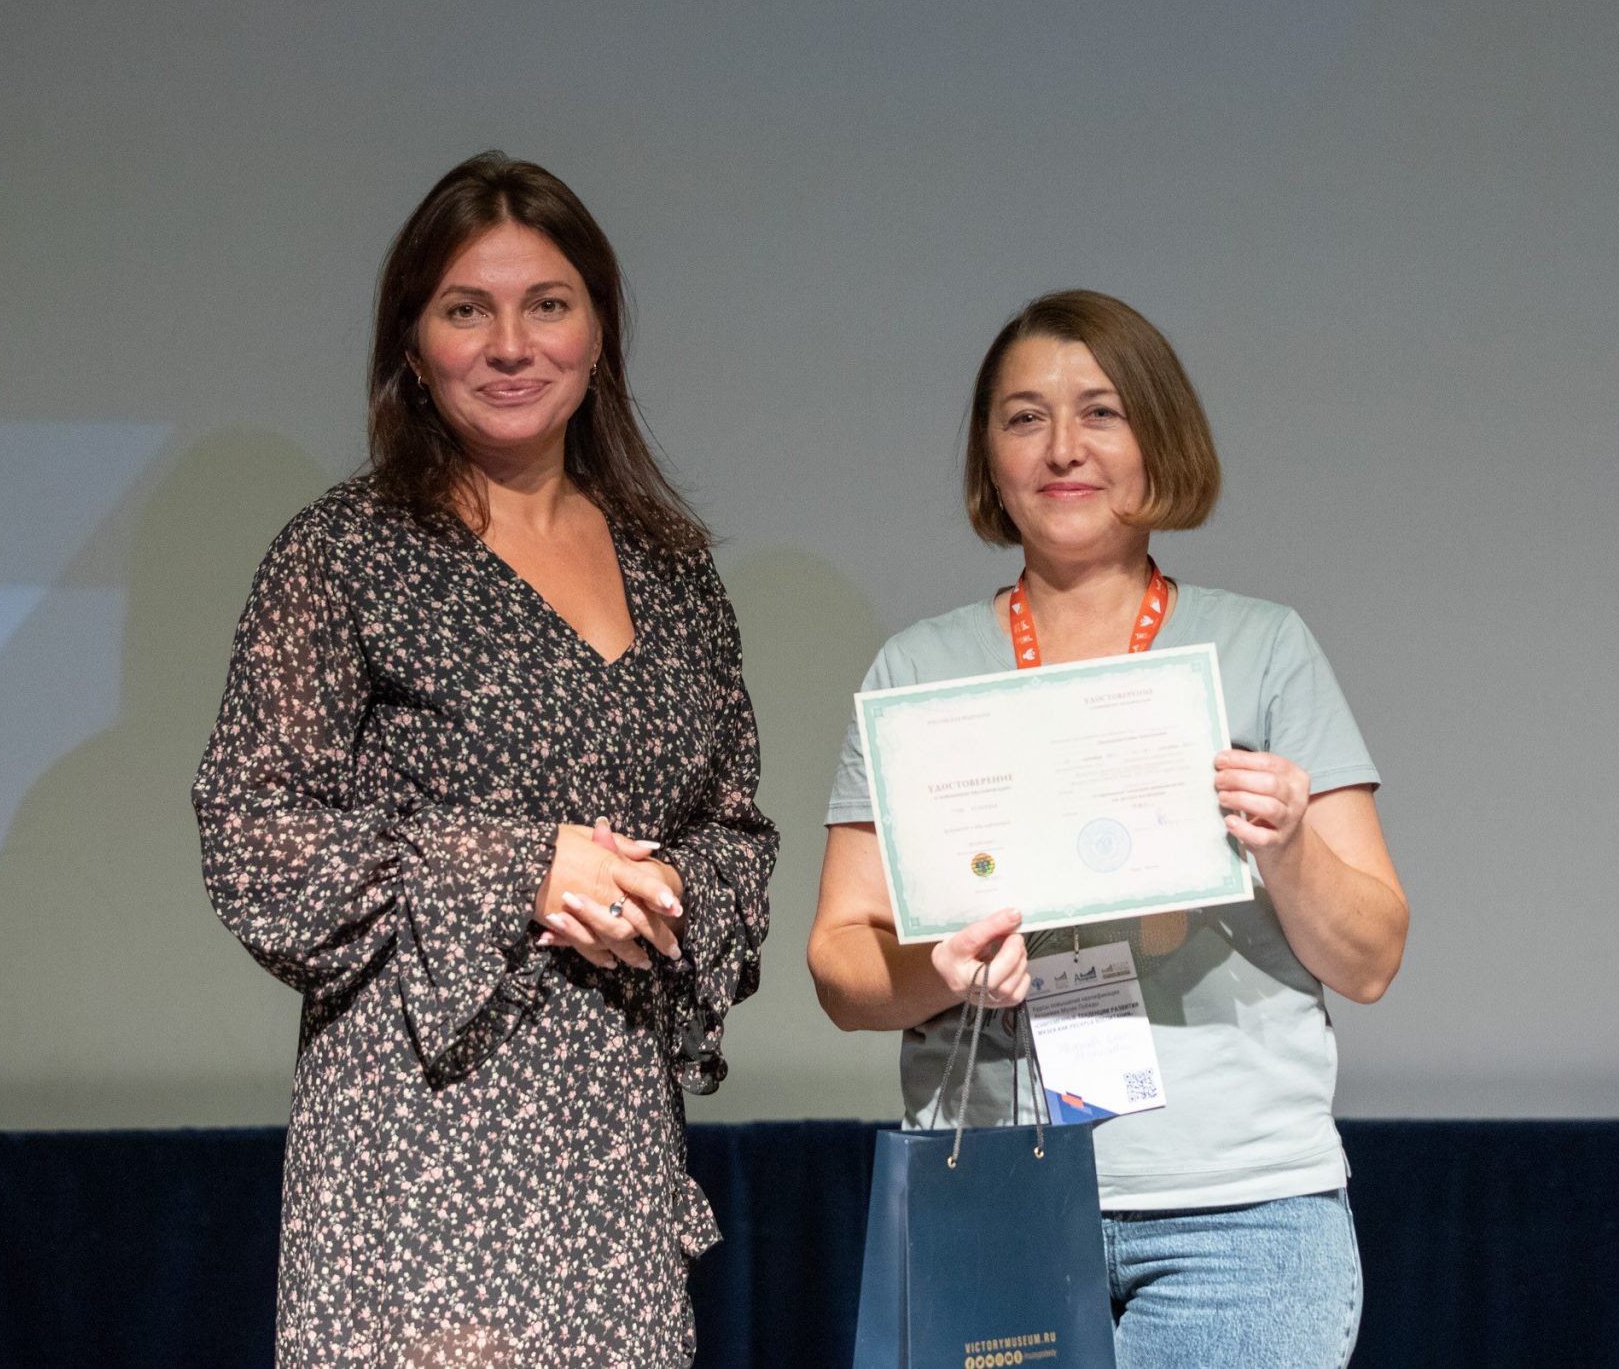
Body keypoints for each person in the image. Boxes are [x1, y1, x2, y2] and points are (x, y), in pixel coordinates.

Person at [193, 152, 777, 1369]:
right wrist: (521, 869)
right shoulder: (344, 555)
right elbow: (253, 838)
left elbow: (735, 828)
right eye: (467, 310)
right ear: (413, 346)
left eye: (546, 305)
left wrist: (666, 890)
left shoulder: (672, 568)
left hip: (613, 1144)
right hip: (425, 1148)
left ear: (598, 333)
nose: (511, 345)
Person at [807, 290, 1407, 1369]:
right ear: (989, 456)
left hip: (1240, 1213)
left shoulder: (1263, 650)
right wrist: (937, 972)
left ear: (1158, 437)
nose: (1062, 448)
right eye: (1023, 417)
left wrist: (1287, 849)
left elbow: (1370, 959)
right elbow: (843, 969)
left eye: (1101, 411)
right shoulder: (919, 672)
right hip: (997, 1192)